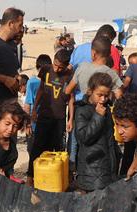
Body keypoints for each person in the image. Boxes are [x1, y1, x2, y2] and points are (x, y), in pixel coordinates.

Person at [65, 37, 123, 165]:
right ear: (108, 55)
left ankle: (73, 168)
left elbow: (68, 90)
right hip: (102, 112)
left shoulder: (82, 67)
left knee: (76, 141)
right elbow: (120, 96)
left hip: (81, 111)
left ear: (93, 53)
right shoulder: (110, 73)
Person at [27, 49, 73, 185]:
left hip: (59, 118)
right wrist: (34, 109)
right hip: (44, 115)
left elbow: (71, 99)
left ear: (66, 66)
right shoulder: (46, 70)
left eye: (60, 67)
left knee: (57, 149)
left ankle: (55, 180)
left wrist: (70, 119)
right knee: (37, 147)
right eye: (55, 64)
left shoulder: (70, 75)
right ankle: (30, 177)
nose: (57, 68)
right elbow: (41, 90)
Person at [74, 73, 121, 192]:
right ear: (90, 91)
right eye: (99, 95)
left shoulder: (106, 108)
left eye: (106, 95)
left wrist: (116, 154)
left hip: (108, 167)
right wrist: (98, 116)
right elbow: (84, 137)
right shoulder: (82, 110)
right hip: (92, 170)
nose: (103, 99)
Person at [24, 54, 52, 154]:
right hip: (43, 122)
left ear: (37, 67)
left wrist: (27, 123)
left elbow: (27, 105)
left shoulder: (31, 82)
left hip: (35, 122)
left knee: (33, 150)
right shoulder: (52, 82)